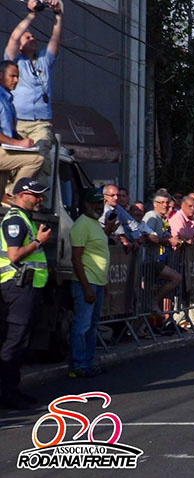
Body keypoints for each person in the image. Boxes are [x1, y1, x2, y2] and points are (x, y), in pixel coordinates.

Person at [0, 177, 50, 408]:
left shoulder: (24, 219)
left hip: (26, 287)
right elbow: (14, 255)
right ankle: (8, 395)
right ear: (21, 194)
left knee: (21, 342)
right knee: (15, 342)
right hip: (17, 287)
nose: (40, 199)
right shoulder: (15, 220)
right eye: (36, 194)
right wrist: (38, 242)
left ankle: (12, 390)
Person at [4, 0, 62, 178]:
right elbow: (14, 37)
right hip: (18, 122)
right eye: (28, 37)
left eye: (33, 37)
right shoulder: (14, 61)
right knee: (17, 161)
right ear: (20, 47)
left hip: (40, 122)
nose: (32, 39)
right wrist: (31, 14)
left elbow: (55, 39)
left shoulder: (44, 60)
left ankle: (37, 197)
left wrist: (58, 15)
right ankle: (14, 194)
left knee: (42, 155)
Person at [69, 188, 111, 378]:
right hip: (86, 283)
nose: (99, 207)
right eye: (95, 204)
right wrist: (86, 287)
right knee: (82, 326)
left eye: (101, 204)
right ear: (86, 205)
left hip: (98, 282)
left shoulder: (95, 224)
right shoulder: (81, 225)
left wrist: (104, 284)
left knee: (92, 326)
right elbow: (76, 259)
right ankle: (78, 364)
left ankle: (88, 361)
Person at [0, 60, 42, 199]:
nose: (16, 80)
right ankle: (14, 195)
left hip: (5, 151)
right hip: (2, 150)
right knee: (36, 159)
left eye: (17, 76)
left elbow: (9, 130)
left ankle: (6, 198)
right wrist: (18, 144)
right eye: (12, 76)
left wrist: (22, 142)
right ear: (0, 75)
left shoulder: (7, 99)